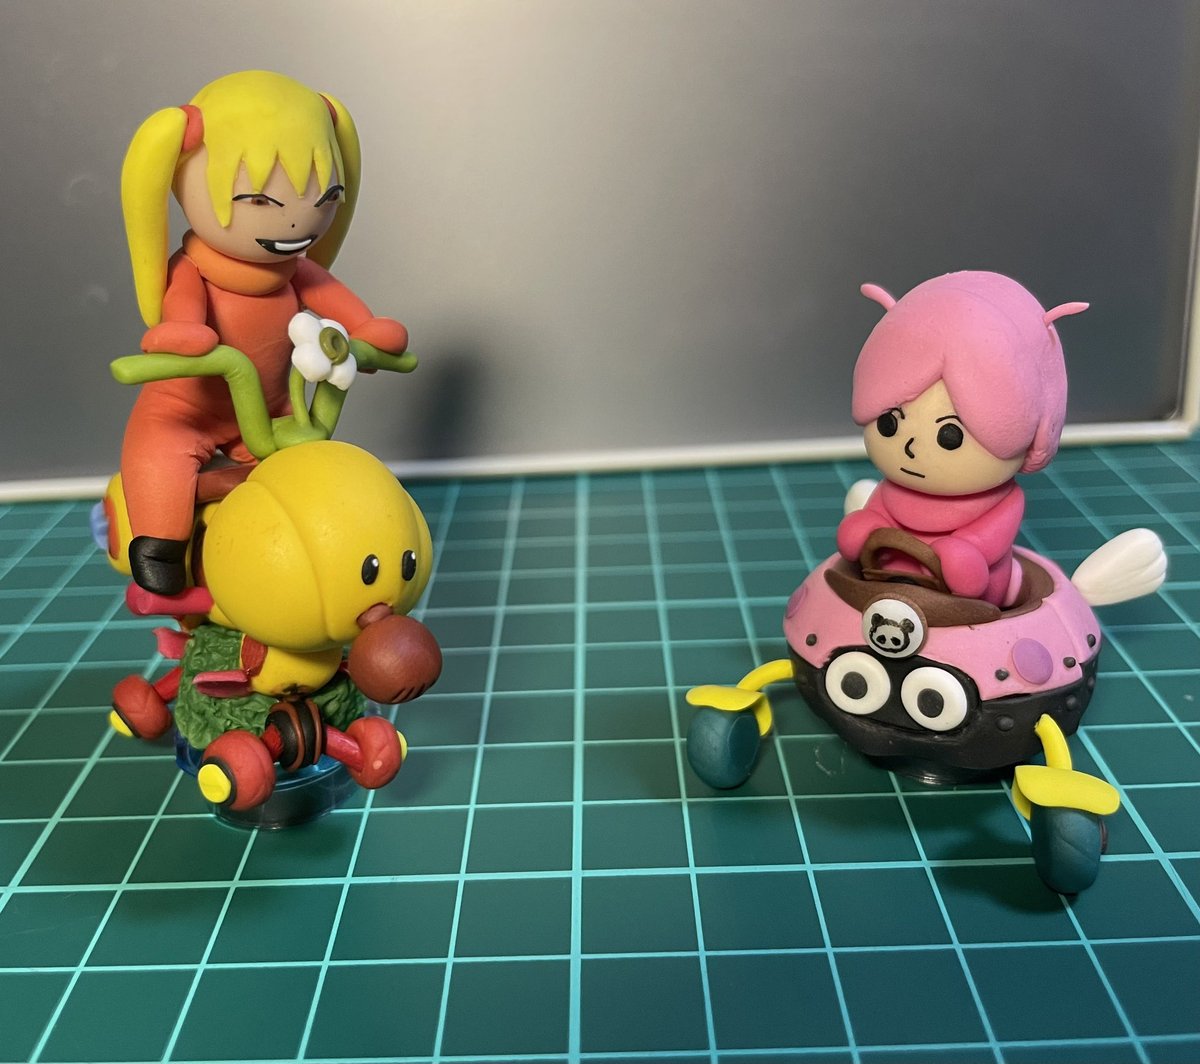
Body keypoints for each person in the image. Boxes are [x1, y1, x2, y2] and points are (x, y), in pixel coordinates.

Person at [119, 70, 409, 594]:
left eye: (325, 199)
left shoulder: (297, 272)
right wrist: (181, 331)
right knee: (158, 459)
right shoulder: (194, 271)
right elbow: (182, 316)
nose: (299, 224)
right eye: (258, 201)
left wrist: (365, 333)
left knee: (312, 486)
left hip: (274, 413)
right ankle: (161, 547)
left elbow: (339, 302)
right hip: (185, 410)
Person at [836, 271, 1087, 606]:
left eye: (949, 436)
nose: (910, 447)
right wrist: (868, 524)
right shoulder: (892, 490)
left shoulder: (1003, 500)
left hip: (970, 602)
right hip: (886, 585)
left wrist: (968, 551)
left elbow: (985, 545)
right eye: (889, 424)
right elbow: (877, 518)